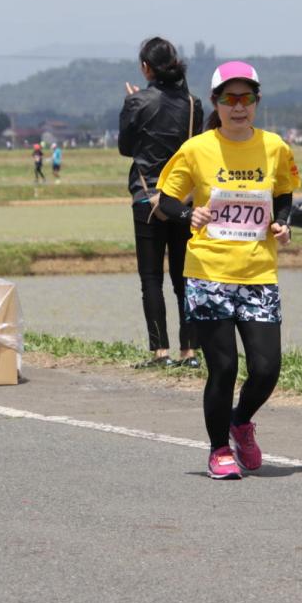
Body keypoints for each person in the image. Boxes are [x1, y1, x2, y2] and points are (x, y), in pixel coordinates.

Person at [155, 61, 300, 480]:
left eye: (247, 98)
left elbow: (285, 192)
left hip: (258, 273)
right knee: (223, 368)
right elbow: (165, 200)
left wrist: (283, 223)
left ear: (257, 102)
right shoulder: (196, 149)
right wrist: (188, 215)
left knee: (267, 368)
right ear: (216, 103)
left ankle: (240, 421)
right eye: (229, 99)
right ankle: (219, 448)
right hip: (208, 272)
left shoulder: (275, 147)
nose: (239, 107)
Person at [118, 37, 202, 369]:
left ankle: (160, 353)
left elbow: (127, 148)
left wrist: (132, 103)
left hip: (146, 198)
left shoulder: (137, 103)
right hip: (183, 200)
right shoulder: (194, 104)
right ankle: (191, 352)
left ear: (145, 68)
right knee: (185, 279)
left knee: (151, 278)